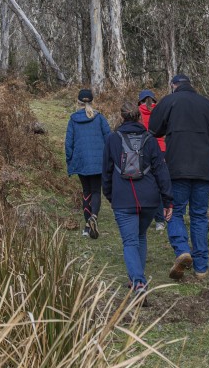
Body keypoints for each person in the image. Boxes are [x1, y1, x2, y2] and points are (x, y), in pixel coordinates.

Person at [148, 74, 209, 281]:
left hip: (176, 169)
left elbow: (153, 129)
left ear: (173, 86)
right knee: (199, 216)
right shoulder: (207, 105)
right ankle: (201, 268)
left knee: (175, 211)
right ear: (190, 85)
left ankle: (181, 250)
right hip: (203, 170)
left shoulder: (169, 101)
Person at [102, 101, 173, 295]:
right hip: (150, 199)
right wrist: (167, 200)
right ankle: (136, 278)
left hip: (123, 199)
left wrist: (110, 195)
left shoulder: (112, 139)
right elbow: (161, 170)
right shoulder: (150, 139)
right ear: (139, 117)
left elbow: (106, 171)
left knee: (130, 242)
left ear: (122, 117)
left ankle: (138, 282)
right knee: (140, 236)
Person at [65, 88, 110, 239]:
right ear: (92, 101)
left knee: (86, 191)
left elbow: (68, 143)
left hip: (81, 161)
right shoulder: (100, 118)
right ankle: (94, 217)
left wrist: (69, 160)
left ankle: (86, 227)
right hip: (98, 161)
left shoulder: (73, 119)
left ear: (78, 102)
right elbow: (109, 138)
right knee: (96, 191)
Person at [139, 89, 168, 231]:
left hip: (144, 150)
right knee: (160, 183)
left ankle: (145, 215)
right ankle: (160, 221)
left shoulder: (137, 112)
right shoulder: (162, 111)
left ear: (141, 101)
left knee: (146, 182)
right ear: (154, 100)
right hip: (161, 149)